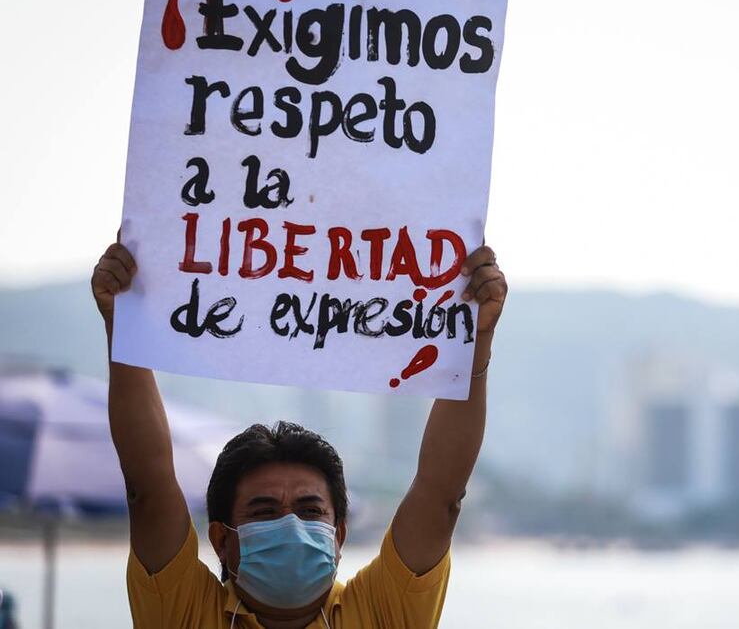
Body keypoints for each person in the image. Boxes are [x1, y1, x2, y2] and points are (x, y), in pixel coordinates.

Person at [91, 240, 507, 629]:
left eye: (310, 511)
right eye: (264, 512)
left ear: (339, 534)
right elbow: (148, 487)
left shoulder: (382, 610)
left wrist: (475, 342)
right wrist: (123, 328)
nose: (290, 525)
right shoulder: (183, 611)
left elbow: (442, 493)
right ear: (220, 540)